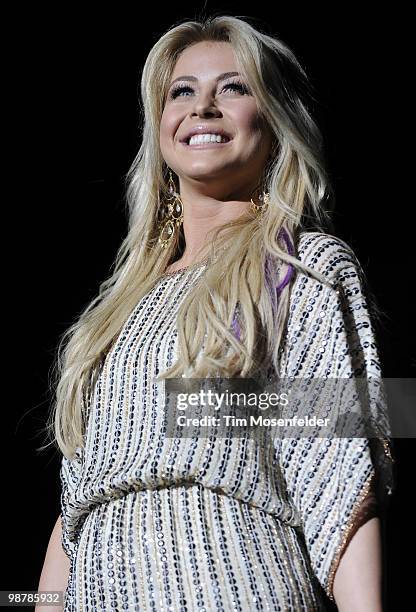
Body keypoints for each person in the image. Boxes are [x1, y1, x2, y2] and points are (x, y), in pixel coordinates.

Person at [36, 15, 395, 612]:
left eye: (233, 87)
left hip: (230, 583)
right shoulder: (115, 310)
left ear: (275, 122)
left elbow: (339, 467)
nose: (202, 106)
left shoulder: (298, 265)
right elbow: (78, 502)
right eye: (182, 91)